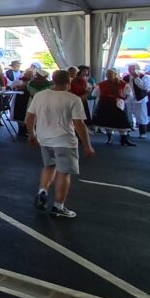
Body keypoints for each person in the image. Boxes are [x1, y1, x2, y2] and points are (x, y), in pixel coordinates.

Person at [26, 70, 95, 218]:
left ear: (53, 80)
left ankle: (43, 191)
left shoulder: (39, 96)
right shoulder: (73, 99)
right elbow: (79, 124)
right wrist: (87, 145)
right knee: (64, 174)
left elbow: (29, 117)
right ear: (69, 82)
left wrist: (32, 134)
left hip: (44, 139)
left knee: (49, 166)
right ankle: (58, 207)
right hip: (65, 141)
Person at [93, 69, 136, 146]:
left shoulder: (122, 84)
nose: (108, 75)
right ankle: (109, 138)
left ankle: (124, 139)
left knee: (122, 121)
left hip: (118, 104)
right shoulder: (102, 84)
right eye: (107, 74)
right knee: (107, 121)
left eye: (110, 74)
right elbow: (96, 93)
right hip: (105, 104)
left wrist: (122, 99)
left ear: (115, 74)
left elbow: (129, 94)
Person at [123, 64, 150, 139]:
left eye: (133, 69)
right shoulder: (126, 77)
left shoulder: (144, 77)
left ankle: (142, 132)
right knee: (128, 115)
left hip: (139, 99)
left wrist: (136, 78)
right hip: (128, 99)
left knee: (141, 115)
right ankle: (128, 130)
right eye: (130, 69)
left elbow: (144, 87)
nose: (131, 71)